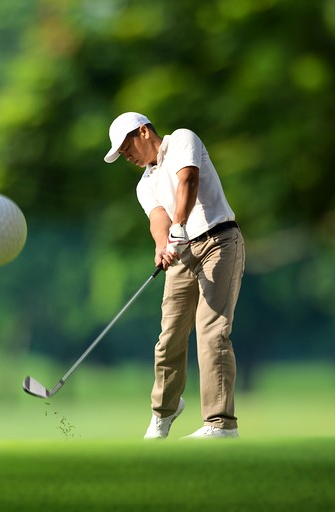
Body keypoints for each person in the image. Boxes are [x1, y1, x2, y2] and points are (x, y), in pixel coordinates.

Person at [104, 112, 245, 439]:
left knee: (211, 331)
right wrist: (160, 246)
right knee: (169, 336)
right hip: (182, 253)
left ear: (143, 132)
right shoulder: (145, 184)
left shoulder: (182, 139)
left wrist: (179, 228)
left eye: (127, 148)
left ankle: (220, 424)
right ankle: (164, 413)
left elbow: (188, 181)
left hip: (219, 241)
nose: (126, 156)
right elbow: (158, 219)